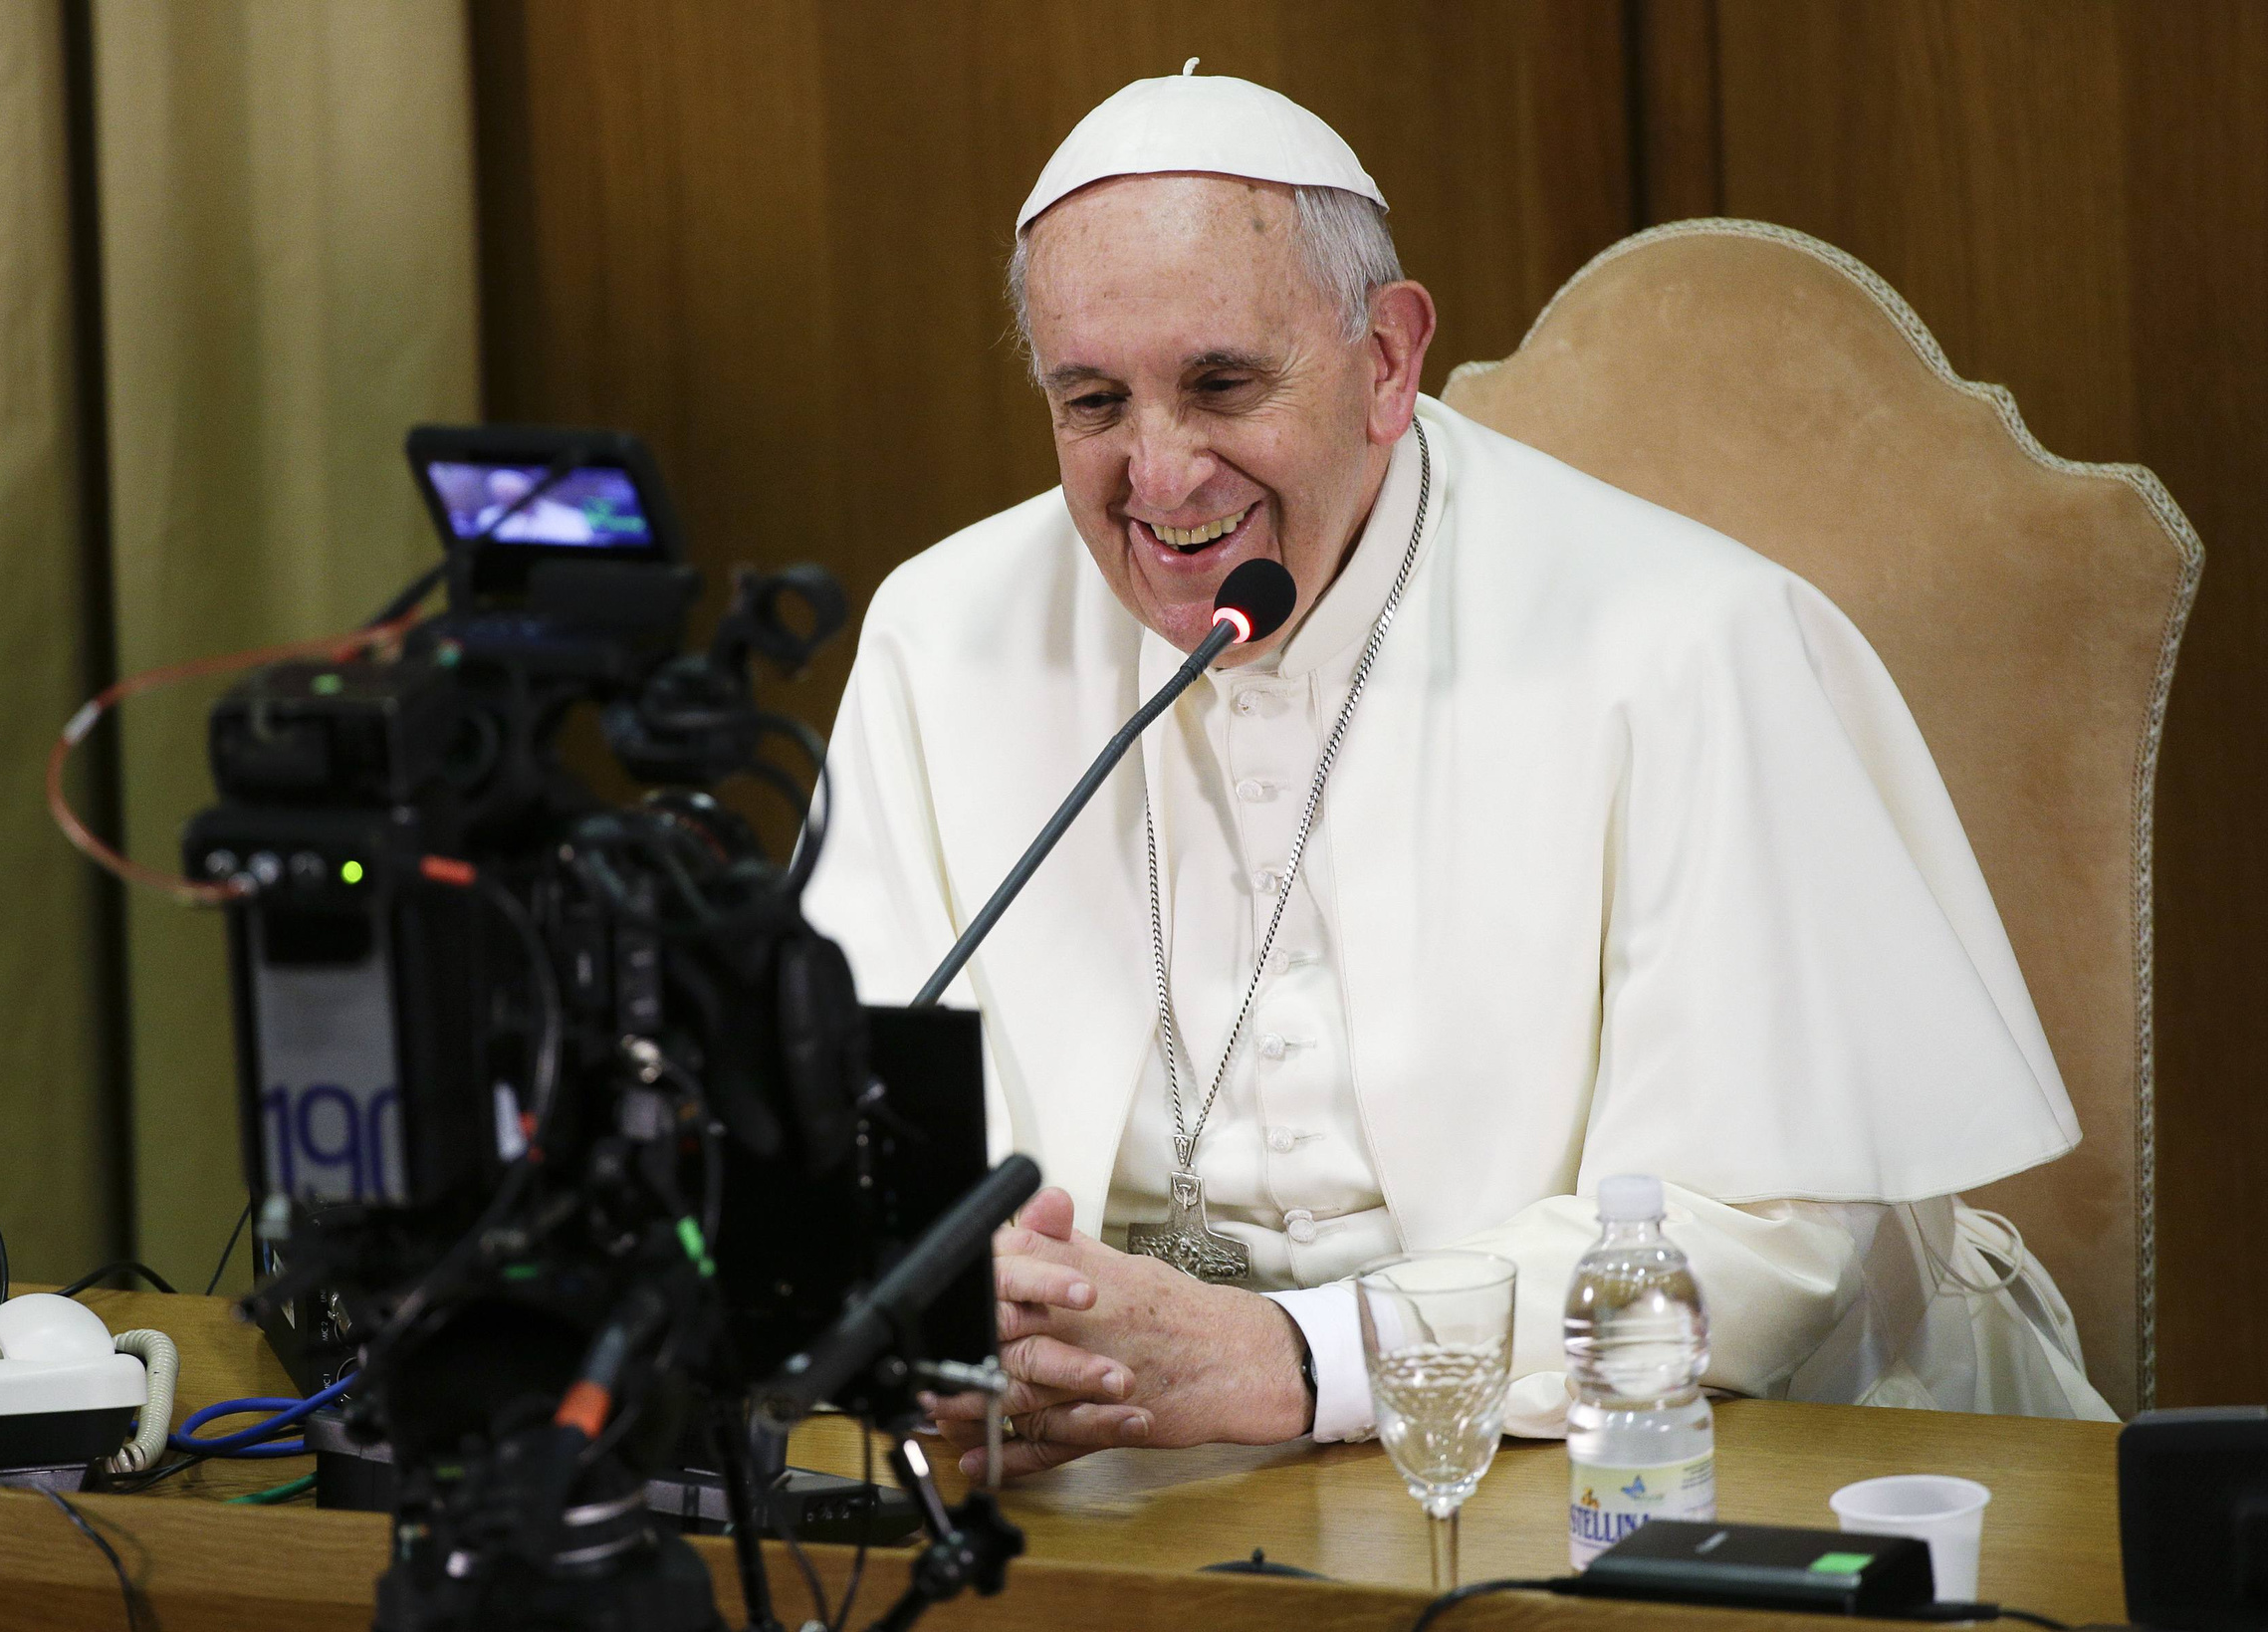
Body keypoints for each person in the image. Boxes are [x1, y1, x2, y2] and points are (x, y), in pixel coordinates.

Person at [801, 64, 2115, 1482]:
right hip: (1123, 1463)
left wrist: (1297, 1358)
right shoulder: (945, 640)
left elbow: (1762, 1240)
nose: (1161, 478)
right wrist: (954, 1325)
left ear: (1385, 360)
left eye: (1223, 383)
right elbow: (845, 1125)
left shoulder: (1683, 638)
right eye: (1093, 402)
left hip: (1650, 1451)